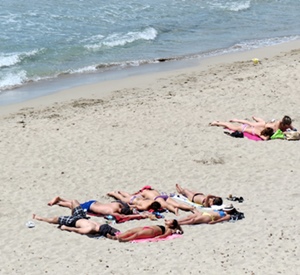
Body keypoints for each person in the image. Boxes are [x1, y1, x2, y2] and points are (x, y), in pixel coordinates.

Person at [33, 200, 119, 237]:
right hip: (82, 217)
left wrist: (65, 227)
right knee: (74, 201)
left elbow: (76, 230)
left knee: (55, 219)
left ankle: (40, 218)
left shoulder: (89, 229)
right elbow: (113, 231)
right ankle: (60, 202)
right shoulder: (99, 226)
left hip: (74, 221)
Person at [48, 196, 146, 221]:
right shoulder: (111, 212)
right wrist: (140, 216)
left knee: (78, 203)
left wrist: (133, 207)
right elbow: (123, 216)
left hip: (94, 202)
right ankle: (60, 202)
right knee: (72, 205)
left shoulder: (117, 205)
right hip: (90, 207)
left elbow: (127, 206)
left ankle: (61, 199)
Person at [107, 219, 183, 242]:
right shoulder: (165, 226)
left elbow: (165, 235)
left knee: (137, 235)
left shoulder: (169, 229)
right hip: (147, 227)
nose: (167, 220)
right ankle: (116, 237)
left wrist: (157, 237)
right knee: (130, 231)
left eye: (170, 221)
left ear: (172, 225)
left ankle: (125, 240)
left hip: (152, 232)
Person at [177, 205, 242, 225]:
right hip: (204, 213)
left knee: (193, 220)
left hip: (210, 217)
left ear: (230, 210)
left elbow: (222, 219)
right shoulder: (222, 210)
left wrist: (215, 222)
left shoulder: (228, 215)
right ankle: (176, 221)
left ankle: (178, 224)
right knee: (189, 217)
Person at [210, 120, 274, 140]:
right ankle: (216, 123)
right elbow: (265, 138)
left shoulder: (261, 128)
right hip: (243, 129)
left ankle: (218, 122)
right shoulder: (259, 133)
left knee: (231, 126)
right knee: (230, 126)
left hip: (245, 127)